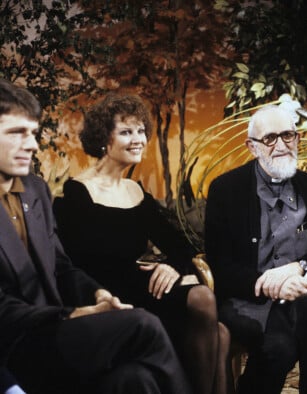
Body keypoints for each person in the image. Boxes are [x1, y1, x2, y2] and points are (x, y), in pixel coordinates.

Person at [0, 80, 193, 393]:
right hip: (16, 343)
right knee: (144, 324)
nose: (33, 145)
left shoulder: (35, 190)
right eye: (16, 133)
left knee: (135, 379)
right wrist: (73, 312)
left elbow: (62, 267)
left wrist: (98, 295)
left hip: (59, 331)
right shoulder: (76, 194)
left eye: (33, 134)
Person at [52, 94, 231, 394]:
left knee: (204, 301)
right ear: (103, 139)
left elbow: (182, 243)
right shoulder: (75, 194)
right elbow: (67, 264)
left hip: (143, 288)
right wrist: (98, 297)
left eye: (140, 131)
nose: (138, 139)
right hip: (106, 298)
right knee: (221, 334)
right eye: (126, 132)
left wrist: (172, 267)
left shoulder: (135, 191)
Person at [204, 105, 307, 394]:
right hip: (251, 300)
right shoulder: (225, 190)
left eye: (288, 136)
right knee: (282, 345)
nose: (281, 145)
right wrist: (267, 285)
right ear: (252, 147)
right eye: (270, 138)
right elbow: (219, 261)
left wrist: (300, 269)